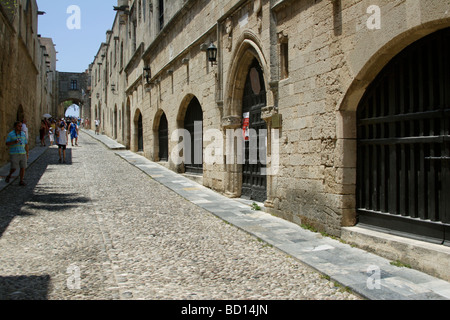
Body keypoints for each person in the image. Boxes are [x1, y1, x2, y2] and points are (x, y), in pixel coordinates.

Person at [5, 121, 29, 186]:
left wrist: (27, 153)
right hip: (14, 153)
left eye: (21, 126)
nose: (20, 127)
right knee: (14, 168)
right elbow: (7, 143)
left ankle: (21, 181)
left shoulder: (23, 134)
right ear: (15, 126)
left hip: (22, 152)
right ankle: (9, 175)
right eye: (19, 126)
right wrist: (14, 142)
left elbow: (26, 143)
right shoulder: (10, 134)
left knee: (23, 167)